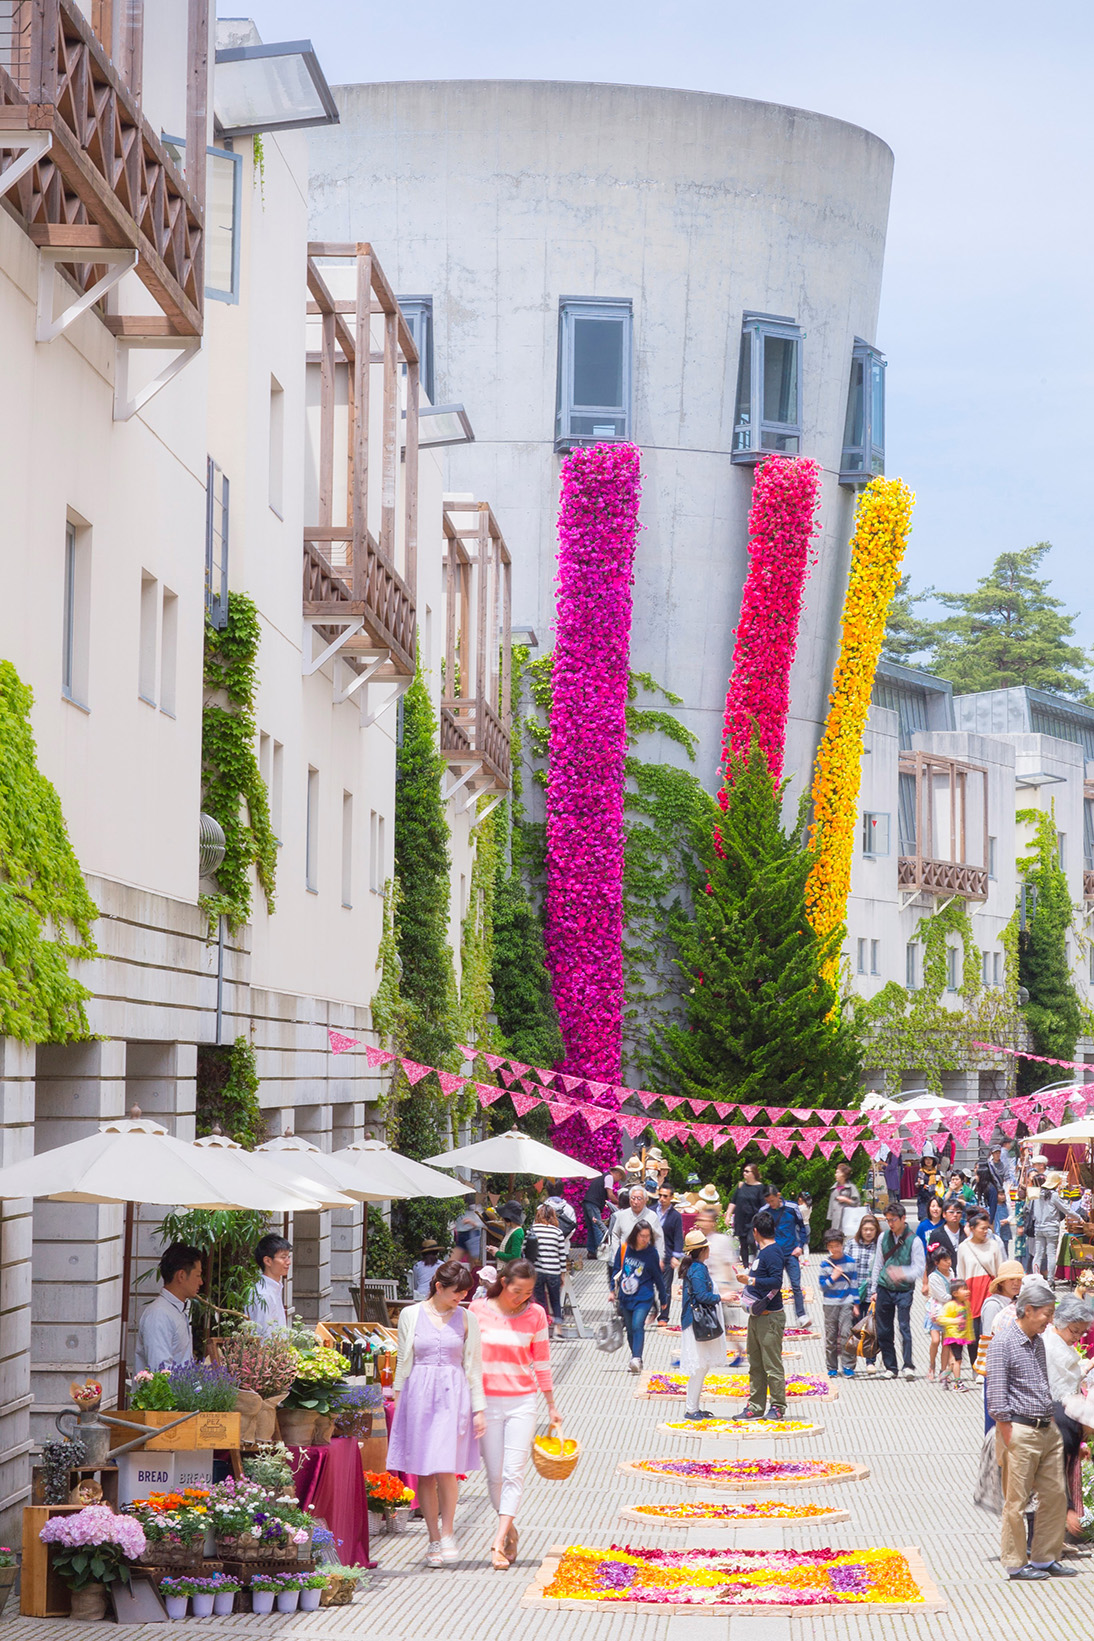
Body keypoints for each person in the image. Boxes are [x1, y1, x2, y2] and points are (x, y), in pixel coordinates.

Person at [388, 1260, 483, 1566]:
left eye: (465, 1292)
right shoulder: (411, 1315)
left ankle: (449, 1532)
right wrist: (398, 1401)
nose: (461, 1297)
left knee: (447, 1467)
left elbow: (473, 1367)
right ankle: (432, 1539)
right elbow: (404, 1359)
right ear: (439, 1287)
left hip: (453, 1394)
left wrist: (478, 1408)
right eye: (457, 1292)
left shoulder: (468, 1319)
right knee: (425, 1471)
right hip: (419, 1393)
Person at [985, 1277, 1076, 1581]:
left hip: (1046, 1427)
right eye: (1047, 1314)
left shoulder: (1037, 1342)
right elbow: (996, 1395)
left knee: (1055, 1495)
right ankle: (1014, 1562)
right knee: (1017, 1502)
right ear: (1028, 1310)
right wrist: (1007, 1434)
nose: (1050, 1321)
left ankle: (1044, 1558)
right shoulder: (1003, 1342)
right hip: (1019, 1429)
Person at [470, 1259, 560, 1571]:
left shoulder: (535, 1315)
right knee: (494, 1476)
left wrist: (551, 1405)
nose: (521, 1297)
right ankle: (510, 1528)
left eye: (528, 1292)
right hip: (487, 1403)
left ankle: (496, 1542)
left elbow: (543, 1364)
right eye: (516, 1290)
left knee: (513, 1473)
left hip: (522, 1402)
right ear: (503, 1282)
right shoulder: (477, 1310)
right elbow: (467, 1360)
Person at [1043, 1292, 1094, 1537]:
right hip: (1056, 1427)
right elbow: (1062, 1395)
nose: (1077, 1337)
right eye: (1075, 1331)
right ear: (1061, 1324)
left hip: (1067, 1426)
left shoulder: (1060, 1343)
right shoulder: (1052, 1347)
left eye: (1081, 1333)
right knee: (1054, 1481)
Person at [737, 1209, 787, 1419]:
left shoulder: (773, 1252)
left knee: (772, 1364)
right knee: (755, 1363)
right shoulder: (763, 1253)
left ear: (756, 1232)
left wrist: (750, 1281)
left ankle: (777, 1406)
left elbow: (777, 1281)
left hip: (770, 1317)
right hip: (757, 1316)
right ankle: (755, 1406)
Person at [869, 1202, 925, 1379]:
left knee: (904, 1327)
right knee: (884, 1329)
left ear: (903, 1218)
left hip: (904, 1290)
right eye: (888, 1220)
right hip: (884, 1287)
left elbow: (919, 1268)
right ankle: (890, 1366)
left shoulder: (914, 1240)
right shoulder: (883, 1237)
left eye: (893, 1220)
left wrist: (903, 1273)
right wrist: (873, 1289)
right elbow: (878, 1264)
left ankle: (908, 1365)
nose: (890, 1223)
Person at [677, 1229, 726, 1420]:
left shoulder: (697, 1267)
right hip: (695, 1322)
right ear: (703, 1250)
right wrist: (721, 1297)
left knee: (701, 1365)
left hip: (694, 1321)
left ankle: (694, 1407)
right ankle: (691, 1409)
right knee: (698, 1365)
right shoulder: (698, 1270)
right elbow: (701, 1296)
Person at [134, 1243, 203, 1374]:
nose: (201, 1282)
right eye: (198, 1275)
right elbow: (160, 1372)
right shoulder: (159, 1315)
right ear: (181, 1275)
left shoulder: (177, 1310)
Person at [612, 1221, 668, 1372]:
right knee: (630, 1329)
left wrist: (663, 1299)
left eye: (647, 1236)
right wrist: (612, 1291)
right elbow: (616, 1269)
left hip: (644, 1296)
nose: (645, 1239)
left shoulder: (651, 1253)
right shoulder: (625, 1249)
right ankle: (635, 1357)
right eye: (642, 1236)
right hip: (626, 1296)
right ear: (635, 1235)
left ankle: (636, 1357)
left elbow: (658, 1277)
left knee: (638, 1325)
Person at [762, 1184, 808, 1323]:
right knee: (774, 1285)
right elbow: (759, 1232)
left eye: (772, 1200)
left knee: (796, 1285)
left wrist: (800, 1246)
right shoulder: (764, 1211)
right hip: (774, 1255)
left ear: (778, 1195)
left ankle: (801, 1315)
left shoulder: (792, 1208)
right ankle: (773, 1312)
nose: (771, 1204)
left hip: (791, 1252)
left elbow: (803, 1228)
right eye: (768, 1202)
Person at [956, 1210, 1004, 1341]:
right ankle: (974, 1362)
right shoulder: (963, 1247)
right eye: (982, 1228)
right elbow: (961, 1273)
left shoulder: (993, 1245)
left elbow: (999, 1270)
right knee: (973, 1336)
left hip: (990, 1292)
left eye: (987, 1228)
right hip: (971, 1294)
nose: (985, 1231)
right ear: (972, 1229)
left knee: (989, 1333)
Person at [819, 1228, 857, 1380]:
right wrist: (833, 1277)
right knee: (831, 1336)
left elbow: (854, 1284)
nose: (834, 1249)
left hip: (846, 1302)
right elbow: (822, 1286)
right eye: (831, 1246)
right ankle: (832, 1367)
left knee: (846, 1334)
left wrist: (856, 1304)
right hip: (829, 1303)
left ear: (842, 1244)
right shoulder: (824, 1264)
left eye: (837, 1245)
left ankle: (848, 1366)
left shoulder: (850, 1262)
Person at [846, 1213, 882, 1373]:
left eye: (871, 1229)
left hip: (872, 1293)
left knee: (870, 1329)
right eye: (865, 1229)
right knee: (851, 1328)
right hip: (853, 1293)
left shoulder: (880, 1246)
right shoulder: (851, 1245)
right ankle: (849, 1363)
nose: (868, 1232)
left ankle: (870, 1361)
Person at [1023, 1170, 1070, 1279]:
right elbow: (1065, 1210)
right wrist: (1079, 1218)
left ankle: (1035, 1277)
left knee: (1038, 1255)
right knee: (1051, 1255)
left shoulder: (1035, 1194)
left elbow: (1028, 1210)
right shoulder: (1054, 1195)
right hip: (1051, 1229)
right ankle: (1050, 1279)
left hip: (1038, 1228)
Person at [243, 1234, 291, 1337]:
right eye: (283, 1257)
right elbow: (264, 1336)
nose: (288, 1262)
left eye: (288, 1257)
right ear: (268, 1261)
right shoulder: (263, 1294)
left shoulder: (274, 1288)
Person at [529, 1206, 567, 1332]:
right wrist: (563, 1274)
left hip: (537, 1270)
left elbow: (526, 1249)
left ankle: (543, 1327)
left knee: (540, 1299)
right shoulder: (558, 1232)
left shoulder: (532, 1230)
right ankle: (558, 1329)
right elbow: (562, 1255)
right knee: (555, 1299)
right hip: (554, 1271)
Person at [607, 1184, 664, 1264]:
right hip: (625, 1257)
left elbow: (659, 1238)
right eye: (633, 1198)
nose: (635, 1202)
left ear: (645, 1200)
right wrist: (617, 1252)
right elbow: (615, 1234)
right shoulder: (622, 1215)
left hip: (646, 1258)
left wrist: (660, 1258)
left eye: (639, 1198)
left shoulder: (652, 1216)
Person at [923, 1247, 954, 1381]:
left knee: (946, 1343)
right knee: (935, 1340)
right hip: (936, 1311)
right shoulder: (934, 1277)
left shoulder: (952, 1272)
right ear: (937, 1263)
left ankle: (943, 1370)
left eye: (949, 1259)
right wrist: (956, 1297)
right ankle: (932, 1364)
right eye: (944, 1260)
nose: (948, 1263)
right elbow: (942, 1296)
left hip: (949, 1311)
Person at [938, 1277, 974, 1391]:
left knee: (956, 1361)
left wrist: (969, 1335)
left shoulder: (966, 1304)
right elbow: (941, 1319)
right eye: (963, 1289)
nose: (967, 1291)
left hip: (962, 1336)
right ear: (955, 1293)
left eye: (967, 1289)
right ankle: (958, 1383)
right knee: (957, 1360)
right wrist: (954, 1321)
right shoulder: (950, 1305)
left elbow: (968, 1321)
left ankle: (945, 1375)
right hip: (953, 1336)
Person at [655, 1183, 683, 1323]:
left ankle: (664, 1316)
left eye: (665, 1196)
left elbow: (678, 1237)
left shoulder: (675, 1216)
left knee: (665, 1288)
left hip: (667, 1255)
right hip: (650, 1254)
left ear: (671, 1197)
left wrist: (675, 1256)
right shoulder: (651, 1211)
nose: (662, 1198)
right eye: (660, 1195)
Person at [582, 1165, 624, 1257]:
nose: (618, 1180)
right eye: (620, 1177)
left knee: (592, 1227)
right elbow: (610, 1195)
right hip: (593, 1203)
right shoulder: (609, 1177)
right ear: (617, 1174)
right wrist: (620, 1203)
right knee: (597, 1226)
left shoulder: (604, 1177)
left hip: (587, 1202)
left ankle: (592, 1251)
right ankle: (602, 1252)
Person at [730, 1163, 766, 1260]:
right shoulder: (741, 1186)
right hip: (741, 1218)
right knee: (743, 1243)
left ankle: (757, 1258)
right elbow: (733, 1201)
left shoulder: (760, 1187)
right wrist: (728, 1215)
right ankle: (745, 1266)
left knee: (751, 1240)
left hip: (753, 1219)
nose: (744, 1173)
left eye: (747, 1171)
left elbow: (763, 1205)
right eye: (744, 1171)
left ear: (753, 1173)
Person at [825, 1162, 860, 1240]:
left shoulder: (851, 1187)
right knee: (835, 1238)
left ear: (843, 1175)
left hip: (847, 1218)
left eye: (838, 1173)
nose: (835, 1175)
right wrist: (830, 1216)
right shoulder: (834, 1188)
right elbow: (831, 1204)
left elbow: (857, 1203)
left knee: (847, 1239)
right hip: (836, 1219)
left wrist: (846, 1200)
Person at [926, 1199, 966, 1267]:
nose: (955, 1215)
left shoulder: (966, 1232)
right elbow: (931, 1259)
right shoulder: (936, 1234)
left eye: (958, 1212)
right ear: (944, 1214)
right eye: (951, 1212)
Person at [915, 1155, 943, 1220]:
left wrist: (939, 1181)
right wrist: (918, 1183)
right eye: (926, 1159)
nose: (928, 1161)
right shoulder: (921, 1171)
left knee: (934, 1217)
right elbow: (916, 1184)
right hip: (923, 1197)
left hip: (934, 1197)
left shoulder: (936, 1172)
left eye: (930, 1159)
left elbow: (940, 1185)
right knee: (923, 1217)